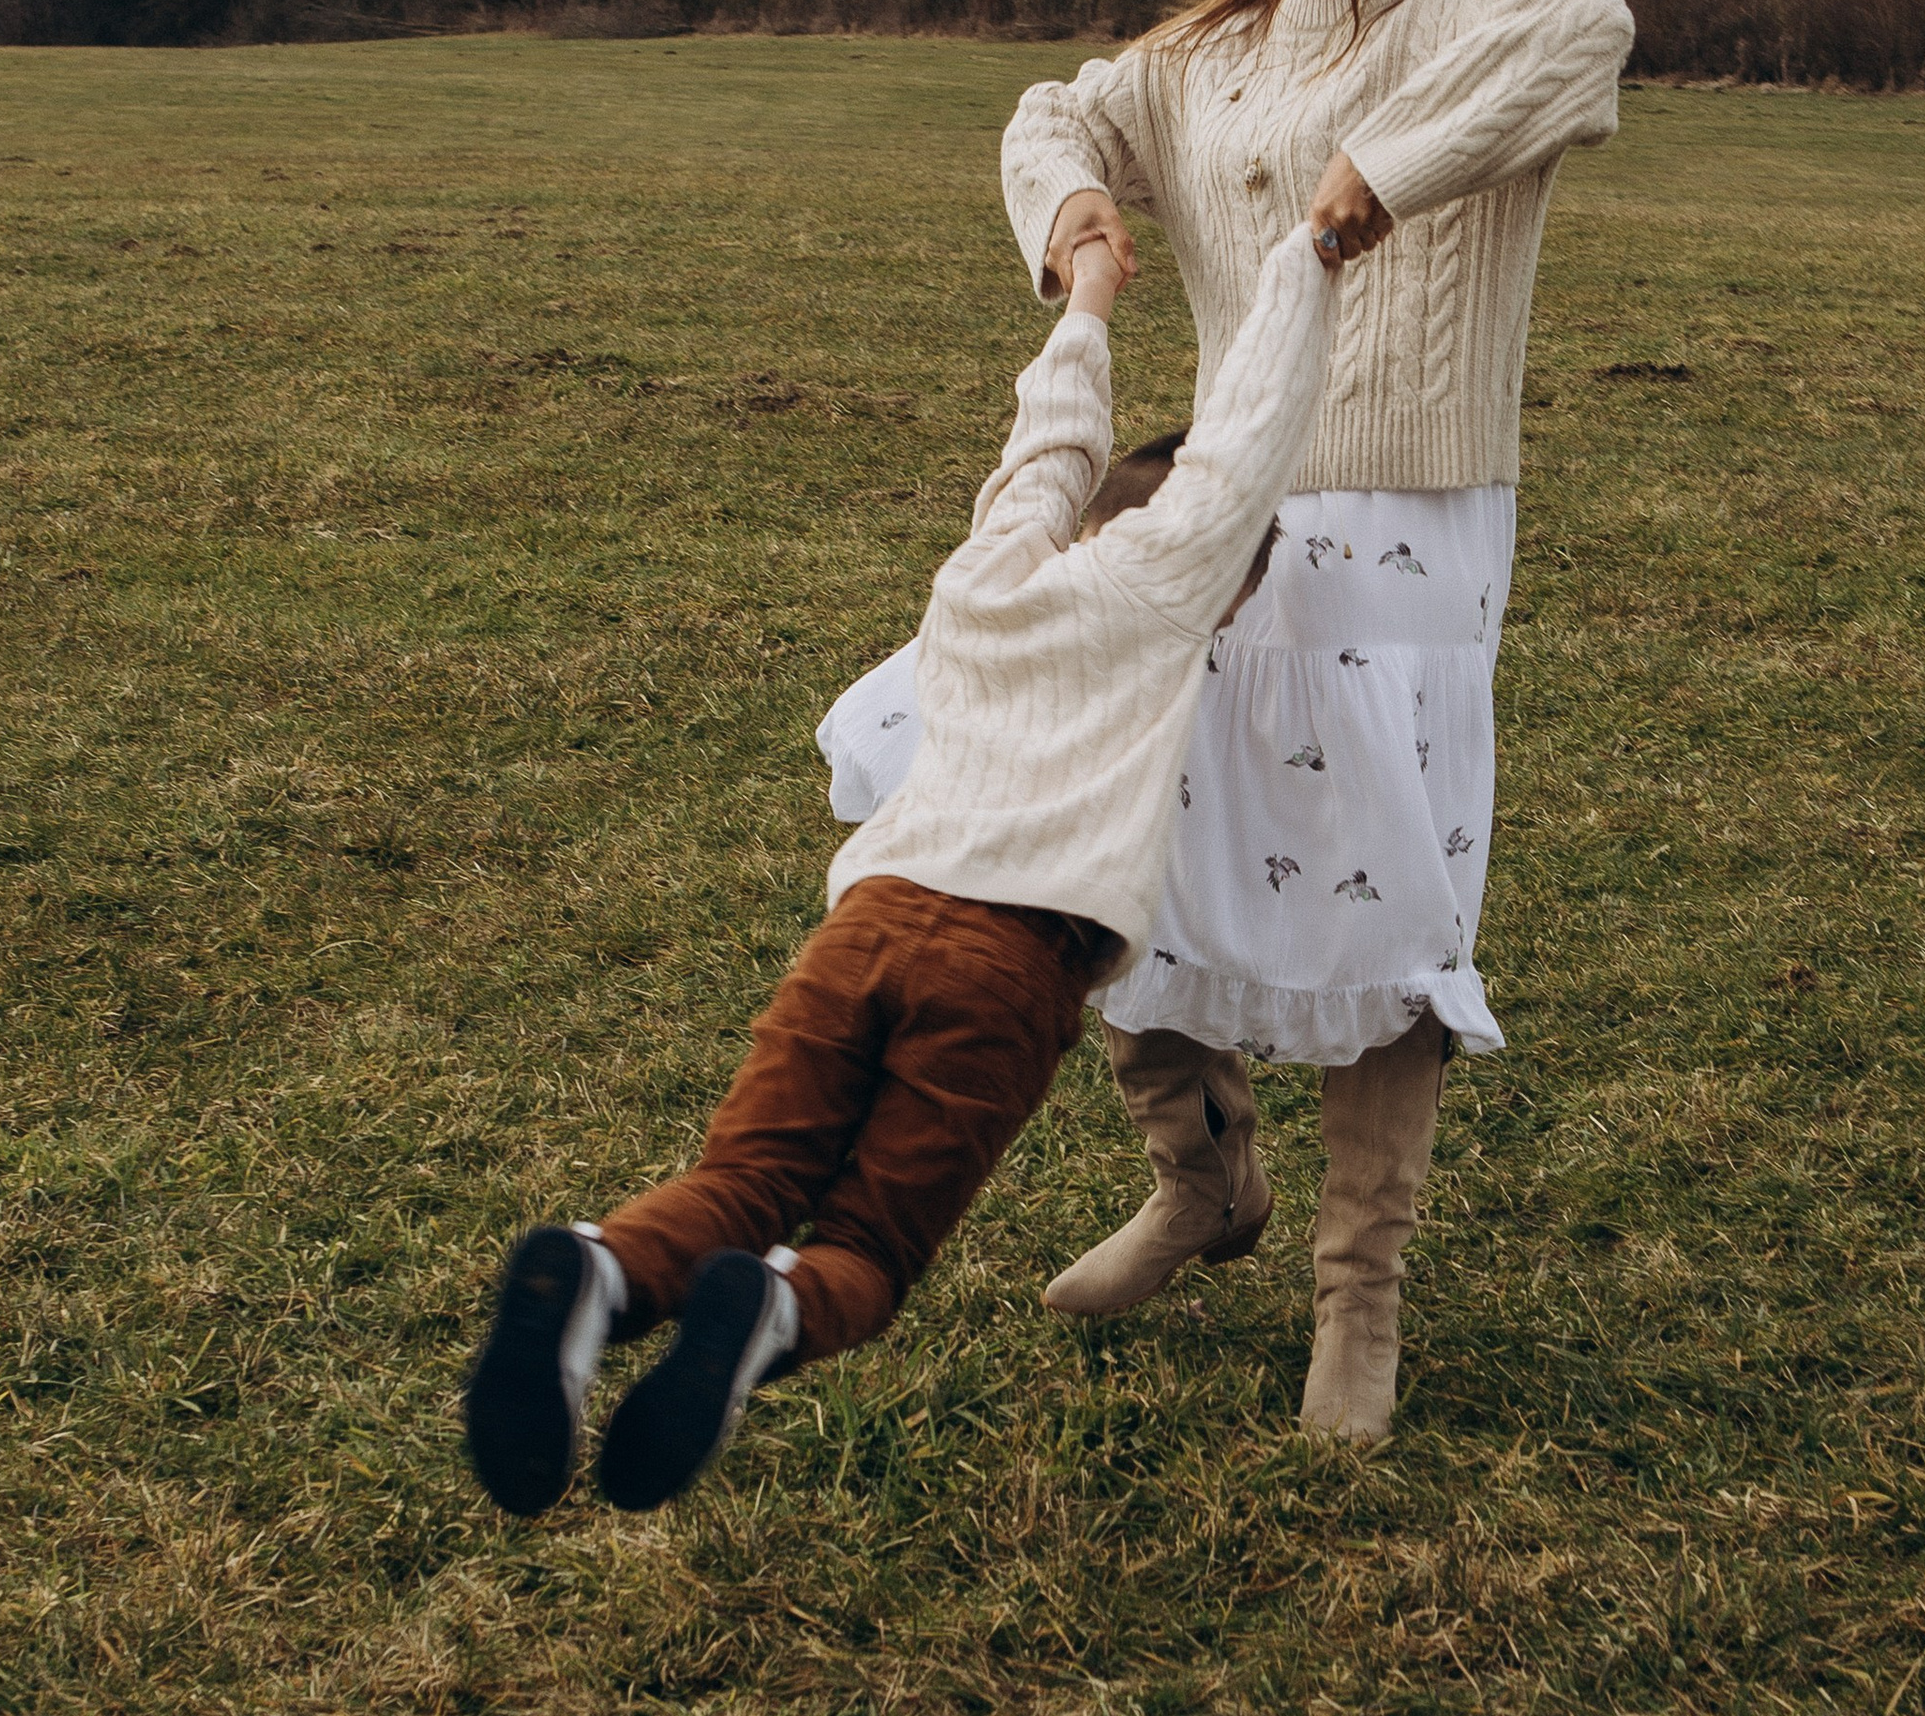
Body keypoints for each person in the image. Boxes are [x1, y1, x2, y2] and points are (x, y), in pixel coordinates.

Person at [838, 0, 1635, 1446]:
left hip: (1410, 528)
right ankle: (1200, 1177)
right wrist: (1075, 223)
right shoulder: (1211, 51)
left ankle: (1363, 1296)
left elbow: (1595, 28)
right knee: (1062, 770)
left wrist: (1384, 178)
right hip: (1233, 492)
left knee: (1368, 870)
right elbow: (1054, 109)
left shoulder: (1485, 8)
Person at [462, 215, 1342, 1520]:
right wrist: (1311, 254)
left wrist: (1091, 294)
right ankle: (765, 1311)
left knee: (739, 1180)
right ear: (1217, 578)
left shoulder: (984, 577)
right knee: (865, 1244)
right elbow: (1253, 428)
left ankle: (595, 1272)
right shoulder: (1171, 600)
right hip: (1007, 963)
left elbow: (1046, 441)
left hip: (865, 925)